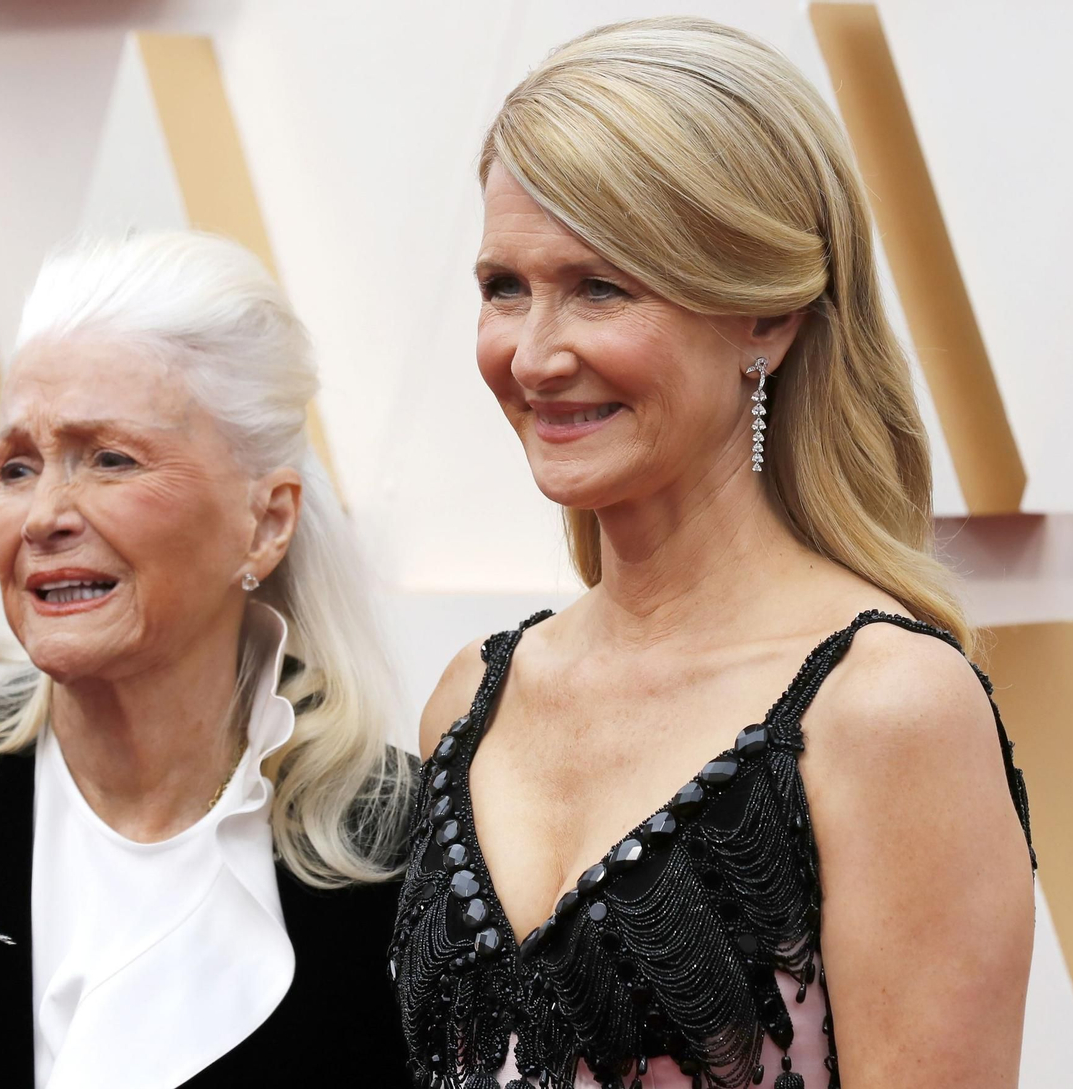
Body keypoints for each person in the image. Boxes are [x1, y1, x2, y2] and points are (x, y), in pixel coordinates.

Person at [389, 17, 1036, 1089]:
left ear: (767, 318)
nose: (533, 355)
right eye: (504, 286)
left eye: (600, 287)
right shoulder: (472, 698)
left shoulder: (886, 709)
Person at [0, 231, 413, 1088]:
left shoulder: (407, 852)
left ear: (266, 521)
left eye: (109, 459)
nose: (43, 515)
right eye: (17, 467)